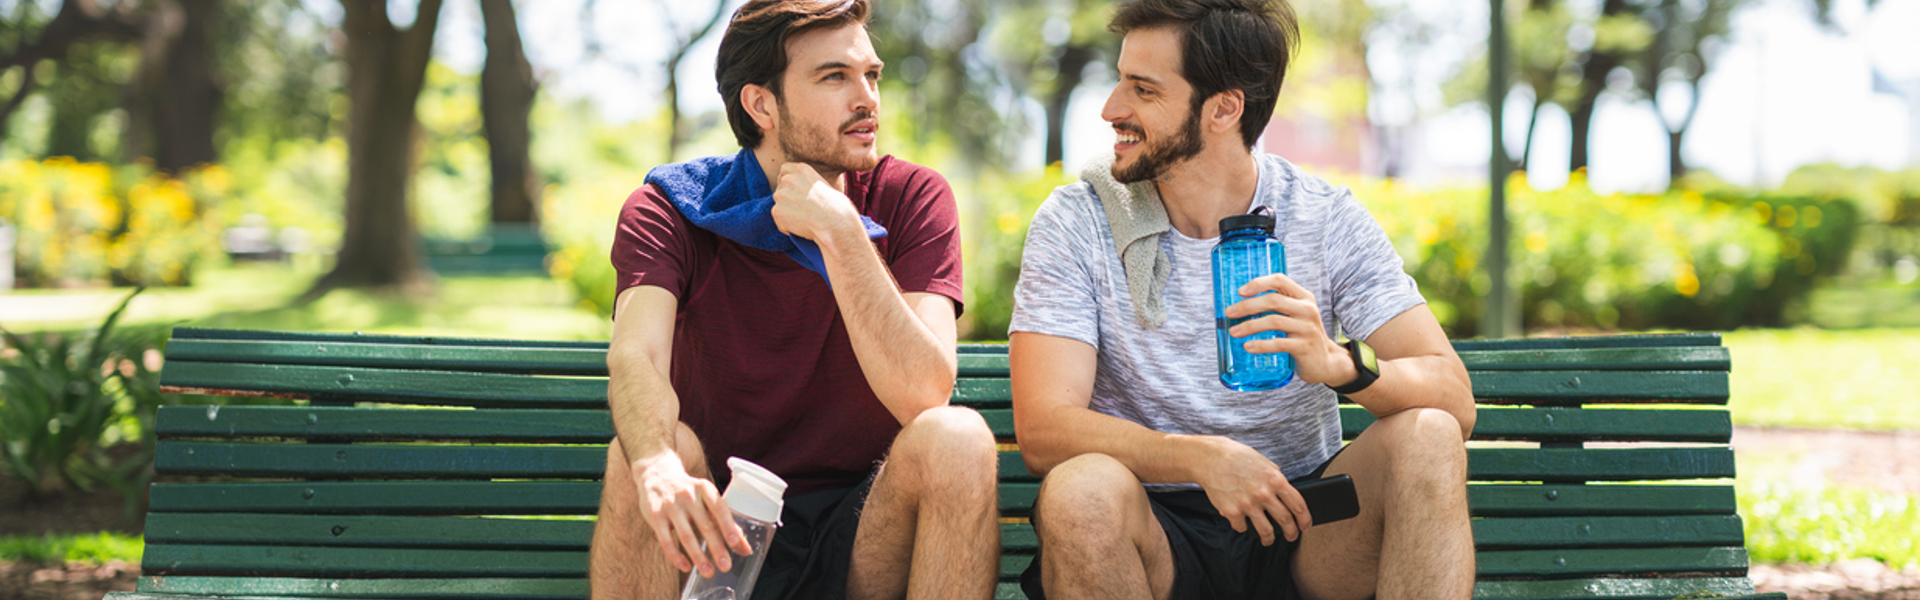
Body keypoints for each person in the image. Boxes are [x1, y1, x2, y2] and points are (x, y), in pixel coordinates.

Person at [1007, 1, 1478, 599]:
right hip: (1153, 532)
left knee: (1428, 435)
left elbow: (1453, 398)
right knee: (1080, 489)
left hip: (1305, 526)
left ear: (1224, 108)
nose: (1111, 109)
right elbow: (1046, 430)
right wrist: (1201, 460)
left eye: (1143, 90)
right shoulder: (1078, 222)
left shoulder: (1325, 217)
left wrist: (1340, 363)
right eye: (1120, 80)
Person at [588, 1, 1000, 599]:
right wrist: (655, 466)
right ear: (761, 105)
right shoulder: (670, 210)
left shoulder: (911, 197)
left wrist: (841, 233)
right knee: (649, 454)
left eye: (872, 75)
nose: (867, 99)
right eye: (835, 77)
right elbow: (637, 357)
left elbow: (924, 393)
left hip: (864, 535)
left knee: (956, 438)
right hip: (718, 527)